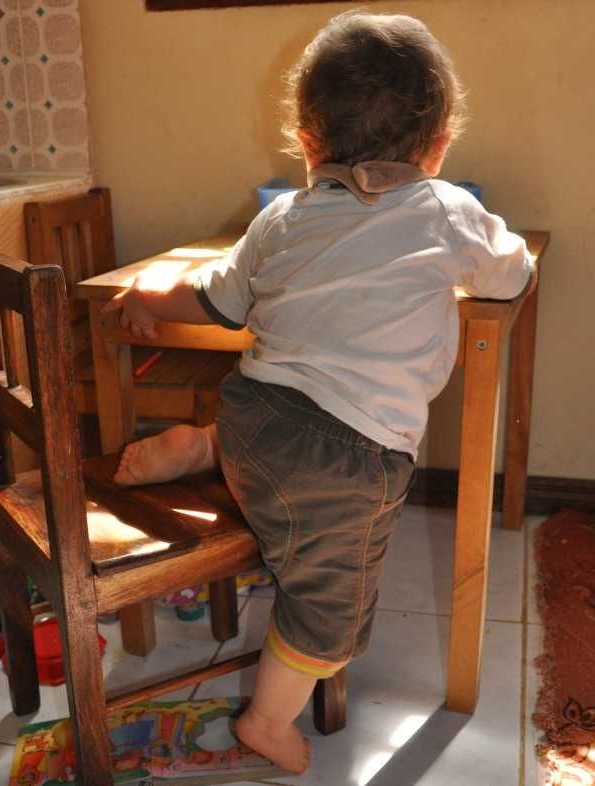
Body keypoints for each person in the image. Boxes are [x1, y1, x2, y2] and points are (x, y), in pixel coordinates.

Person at [103, 11, 535, 774]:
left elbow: (212, 298)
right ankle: (267, 722)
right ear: (439, 146)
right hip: (345, 463)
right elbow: (512, 276)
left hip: (250, 415)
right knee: (327, 610)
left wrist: (147, 295)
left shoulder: (279, 217)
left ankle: (204, 447)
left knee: (267, 445)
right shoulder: (447, 210)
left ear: (306, 144)